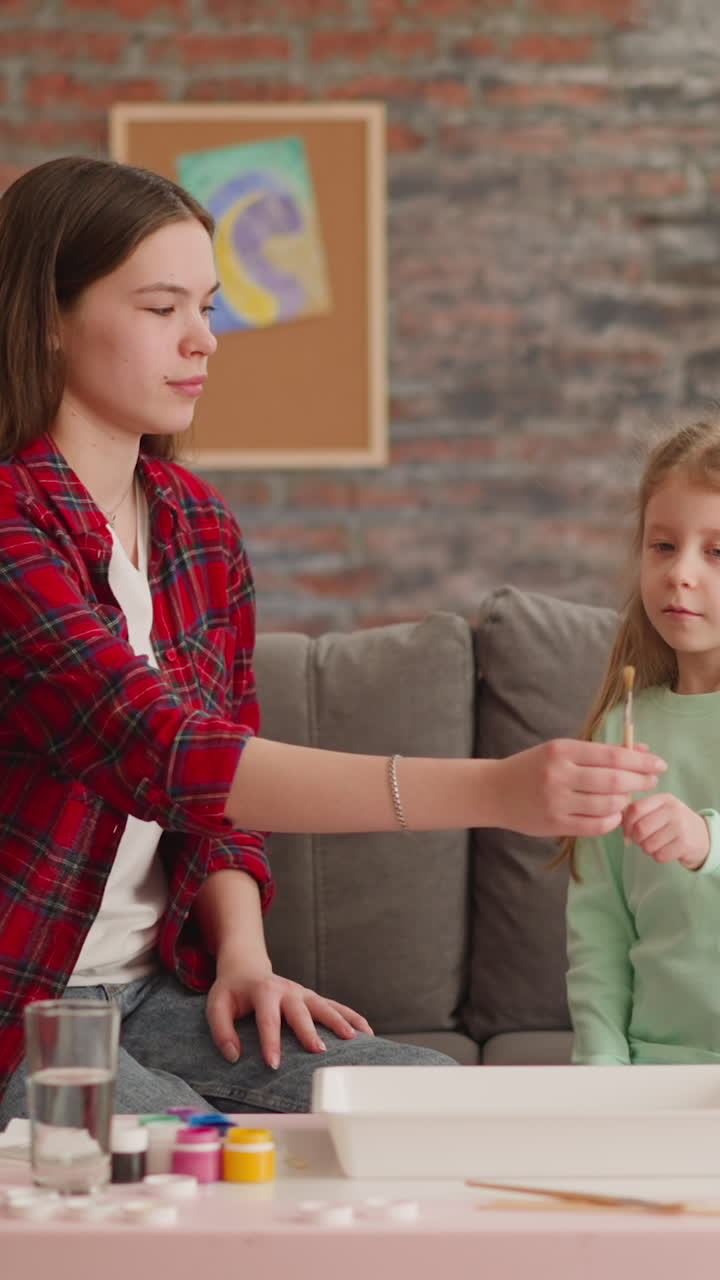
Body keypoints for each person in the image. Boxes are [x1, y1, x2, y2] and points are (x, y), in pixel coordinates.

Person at [0, 157, 666, 1123]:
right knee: (198, 1157)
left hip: (151, 996)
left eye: (210, 305)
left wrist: (244, 962)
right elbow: (164, 751)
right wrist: (493, 790)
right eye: (161, 309)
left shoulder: (197, 528)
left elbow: (214, 810)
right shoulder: (13, 528)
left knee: (433, 1103)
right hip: (27, 1010)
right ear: (49, 319)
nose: (204, 340)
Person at [564, 418, 720, 1066]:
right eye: (663, 546)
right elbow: (598, 928)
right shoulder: (618, 730)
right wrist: (601, 1074)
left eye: (718, 552)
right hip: (654, 1072)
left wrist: (706, 841)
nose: (680, 574)